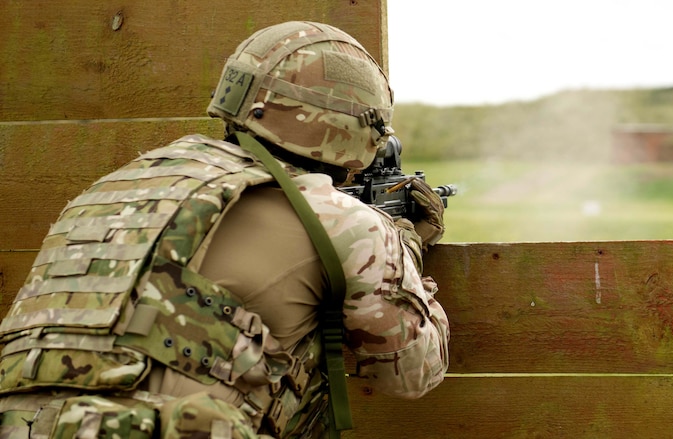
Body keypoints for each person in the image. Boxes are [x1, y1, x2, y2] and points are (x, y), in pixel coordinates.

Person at [0, 21, 450, 438]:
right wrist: (403, 255)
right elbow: (412, 373)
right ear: (356, 128)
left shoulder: (121, 184)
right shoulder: (341, 220)